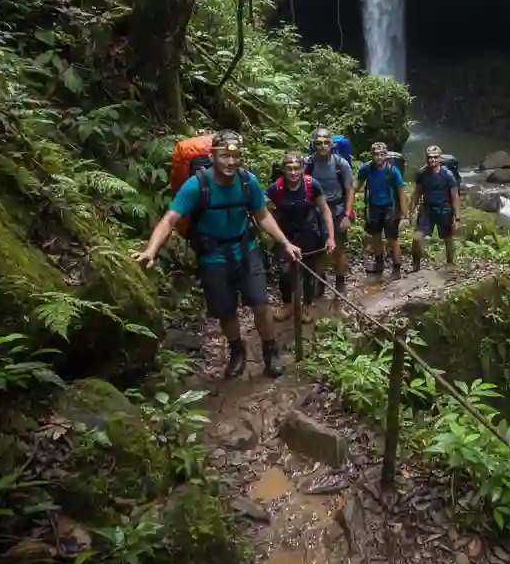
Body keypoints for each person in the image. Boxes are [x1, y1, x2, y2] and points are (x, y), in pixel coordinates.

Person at [133, 130, 301, 380]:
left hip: (246, 249)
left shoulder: (247, 181)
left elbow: (262, 215)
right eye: (224, 156)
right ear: (212, 156)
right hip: (212, 255)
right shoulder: (196, 186)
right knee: (226, 310)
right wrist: (151, 250)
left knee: (260, 303)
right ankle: (237, 351)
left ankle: (270, 350)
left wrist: (285, 243)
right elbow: (170, 219)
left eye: (235, 156)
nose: (231, 162)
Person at [266, 152, 336, 318]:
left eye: (297, 168)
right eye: (289, 168)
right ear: (283, 169)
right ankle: (287, 305)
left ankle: (308, 305)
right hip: (286, 234)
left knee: (309, 270)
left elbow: (325, 210)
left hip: (308, 232)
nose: (293, 172)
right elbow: (262, 210)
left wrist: (330, 236)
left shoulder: (312, 185)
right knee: (284, 271)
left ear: (303, 169)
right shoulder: (276, 188)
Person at [304, 128, 354, 295]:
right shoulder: (308, 164)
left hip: (337, 209)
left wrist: (347, 215)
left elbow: (349, 189)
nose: (323, 146)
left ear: (332, 144)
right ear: (314, 145)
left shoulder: (341, 164)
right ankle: (320, 281)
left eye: (326, 142)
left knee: (338, 249)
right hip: (315, 211)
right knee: (318, 249)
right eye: (319, 143)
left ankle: (340, 282)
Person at [354, 141, 407, 278]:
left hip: (390, 207)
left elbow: (401, 193)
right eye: (376, 155)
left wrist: (405, 216)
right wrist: (348, 201)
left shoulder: (393, 171)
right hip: (374, 207)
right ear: (371, 156)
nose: (379, 157)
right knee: (376, 236)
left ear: (386, 156)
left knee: (392, 238)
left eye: (382, 154)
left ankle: (396, 267)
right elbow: (356, 186)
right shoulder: (366, 169)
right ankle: (379, 263)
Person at [410, 144, 461, 272]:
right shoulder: (422, 173)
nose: (432, 160)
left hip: (444, 209)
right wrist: (411, 211)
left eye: (435, 157)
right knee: (417, 238)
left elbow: (455, 196)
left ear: (440, 158)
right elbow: (417, 192)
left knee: (448, 238)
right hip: (427, 209)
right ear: (426, 158)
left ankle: (450, 263)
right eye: (430, 157)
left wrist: (457, 218)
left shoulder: (447, 175)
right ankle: (416, 265)